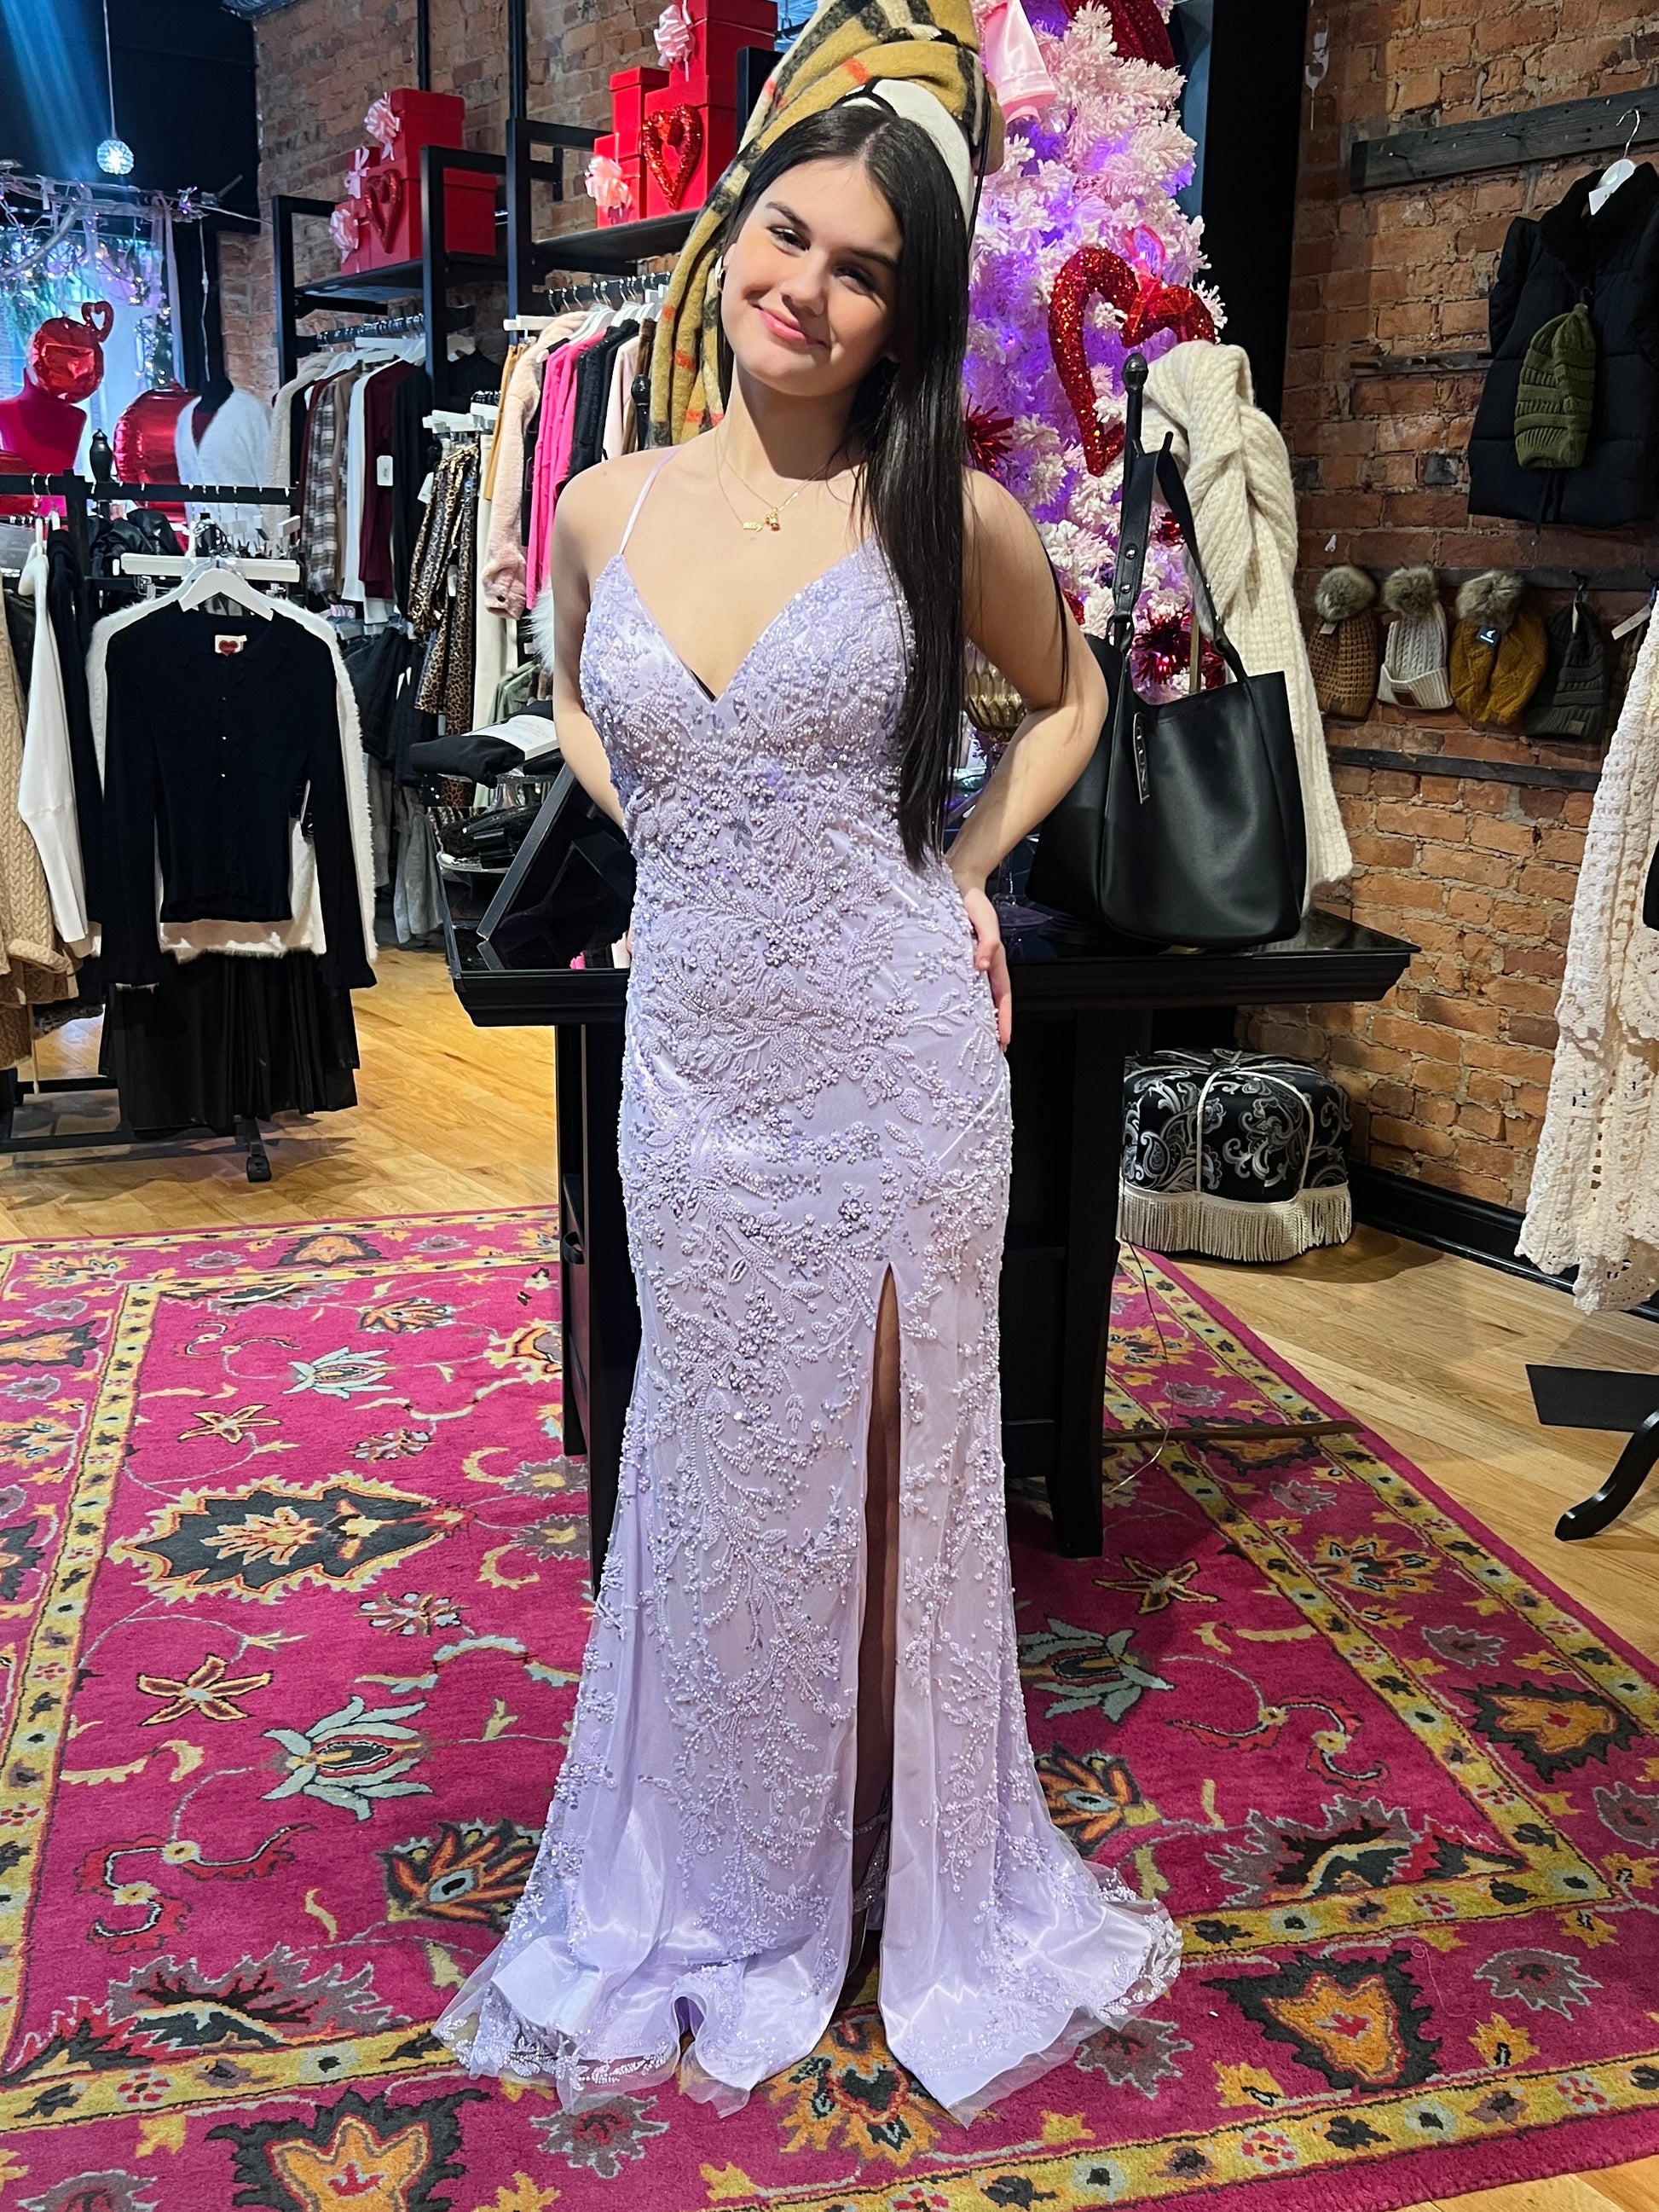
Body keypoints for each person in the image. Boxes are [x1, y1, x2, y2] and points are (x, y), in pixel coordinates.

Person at [437, 95, 1180, 2123]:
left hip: (891, 1060)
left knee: (877, 1474)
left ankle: (869, 1873)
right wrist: (650, 819)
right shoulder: (597, 503)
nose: (809, 289)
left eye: (863, 268)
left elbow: (1076, 700)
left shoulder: (943, 510)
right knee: (713, 1460)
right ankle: (729, 1857)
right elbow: (586, 698)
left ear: (904, 310)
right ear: (725, 246)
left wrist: (961, 869)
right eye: (786, 239)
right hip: (691, 1070)